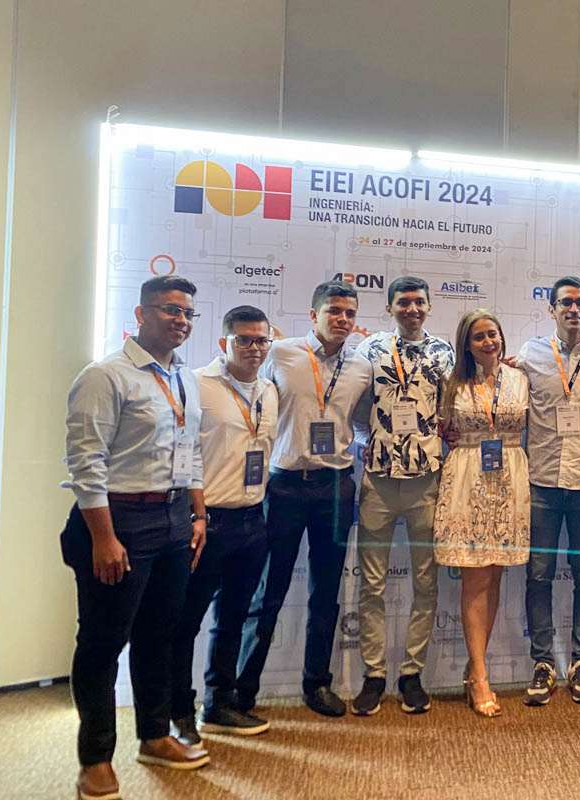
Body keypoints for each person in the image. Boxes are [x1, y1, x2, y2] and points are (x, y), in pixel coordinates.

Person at [62, 275, 210, 799]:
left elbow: (190, 451)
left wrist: (197, 516)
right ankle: (95, 759)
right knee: (102, 644)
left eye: (189, 313)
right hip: (117, 523)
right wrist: (103, 538)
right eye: (171, 310)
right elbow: (86, 463)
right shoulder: (106, 375)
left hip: (172, 521)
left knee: (159, 637)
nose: (181, 321)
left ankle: (153, 735)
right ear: (141, 313)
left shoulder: (184, 378)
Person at [237, 281, 372, 718]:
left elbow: (369, 420)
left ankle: (317, 683)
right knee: (268, 590)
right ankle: (241, 691)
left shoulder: (362, 365)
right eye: (334, 311)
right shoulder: (280, 353)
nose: (343, 320)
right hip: (285, 484)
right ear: (313, 314)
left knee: (326, 591)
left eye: (349, 313)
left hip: (335, 484)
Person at [169, 307, 279, 746]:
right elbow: (183, 455)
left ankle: (219, 704)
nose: (254, 349)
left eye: (261, 341)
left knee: (234, 618)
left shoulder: (270, 391)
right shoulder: (197, 385)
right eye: (244, 340)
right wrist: (195, 515)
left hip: (254, 519)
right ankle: (178, 712)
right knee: (185, 622)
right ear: (224, 343)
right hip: (207, 522)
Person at [351, 277, 454, 716]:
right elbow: (353, 405)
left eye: (418, 301)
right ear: (390, 306)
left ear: (429, 306)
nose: (411, 308)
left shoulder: (445, 352)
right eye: (403, 302)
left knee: (425, 583)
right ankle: (373, 675)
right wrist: (371, 438)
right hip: (377, 478)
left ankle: (412, 673)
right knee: (371, 584)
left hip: (426, 479)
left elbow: (452, 407)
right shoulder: (369, 350)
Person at [515, 275, 580, 705]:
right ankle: (542, 663)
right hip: (540, 480)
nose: (573, 310)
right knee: (538, 575)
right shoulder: (530, 355)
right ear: (551, 310)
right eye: (565, 303)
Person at [433, 309, 529, 717]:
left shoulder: (521, 378)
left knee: (495, 576)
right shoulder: (450, 383)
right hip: (468, 475)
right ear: (465, 344)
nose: (488, 342)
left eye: (493, 334)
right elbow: (437, 431)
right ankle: (481, 673)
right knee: (474, 577)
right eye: (478, 337)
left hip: (510, 476)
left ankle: (476, 669)